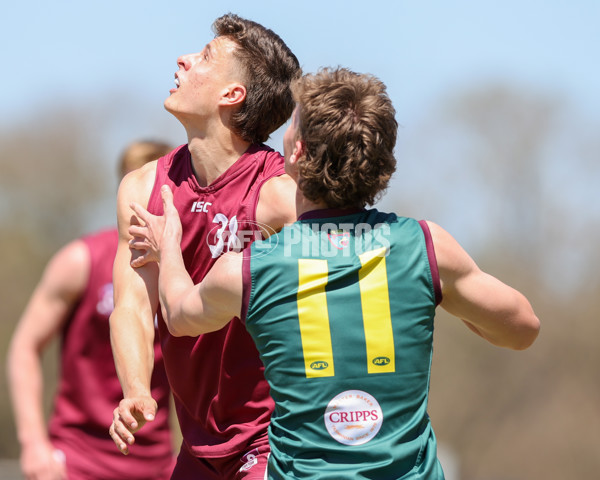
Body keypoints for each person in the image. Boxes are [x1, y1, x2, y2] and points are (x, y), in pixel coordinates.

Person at [127, 67, 541, 479]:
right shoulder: (427, 246)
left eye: (292, 124)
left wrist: (170, 244)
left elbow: (179, 316)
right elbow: (522, 328)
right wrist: (446, 293)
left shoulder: (248, 270)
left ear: (299, 152)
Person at [108, 13, 300, 479]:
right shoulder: (143, 189)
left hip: (275, 436)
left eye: (205, 56)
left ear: (231, 95)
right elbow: (133, 306)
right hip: (197, 446)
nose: (184, 59)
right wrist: (136, 389)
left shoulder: (279, 194)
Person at [6, 140, 176, 480]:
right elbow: (24, 348)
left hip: (158, 465)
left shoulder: (181, 272)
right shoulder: (79, 261)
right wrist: (33, 444)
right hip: (76, 462)